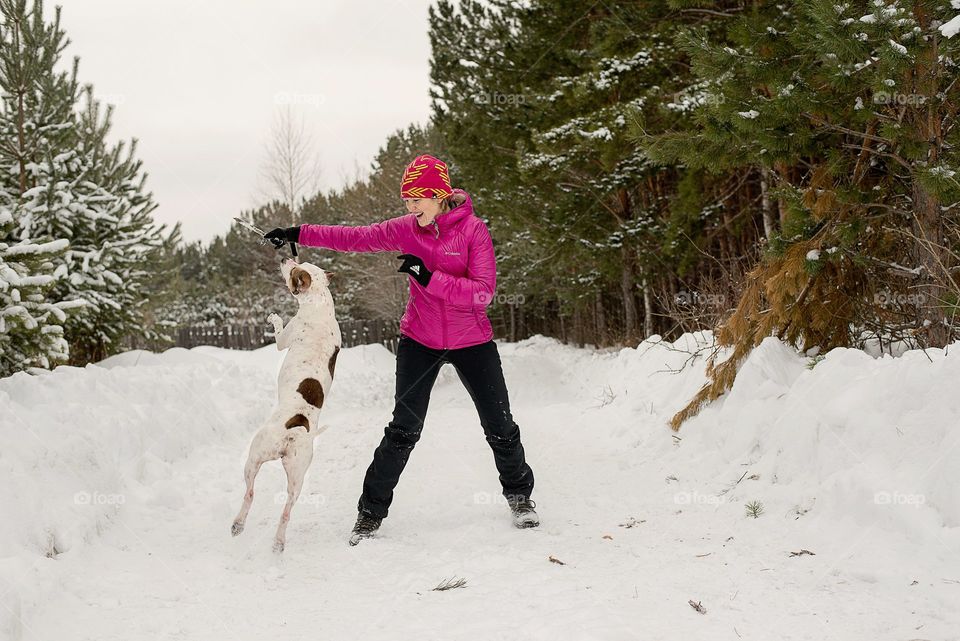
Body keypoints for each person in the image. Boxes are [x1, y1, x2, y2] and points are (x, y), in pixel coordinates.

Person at [265, 154, 538, 546]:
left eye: (417, 200)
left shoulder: (473, 232)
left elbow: (483, 293)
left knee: (500, 426)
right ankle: (370, 513)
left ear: (439, 194)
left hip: (471, 341)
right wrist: (298, 233)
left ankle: (520, 498)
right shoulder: (408, 230)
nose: (411, 208)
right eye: (407, 200)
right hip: (420, 341)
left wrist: (428, 277)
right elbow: (355, 237)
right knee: (403, 430)